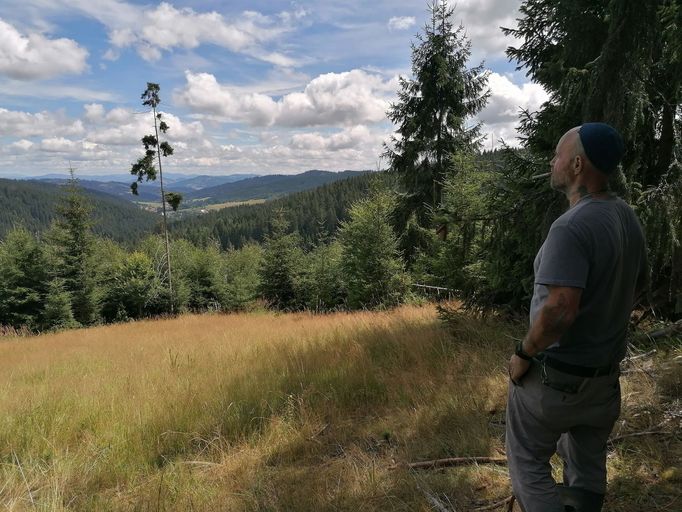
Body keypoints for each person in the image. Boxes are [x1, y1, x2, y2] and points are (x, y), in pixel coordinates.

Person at [505, 123, 649, 512]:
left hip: (557, 378)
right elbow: (638, 286)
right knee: (586, 469)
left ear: (577, 165)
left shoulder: (570, 227)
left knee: (526, 461)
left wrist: (524, 352)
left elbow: (559, 310)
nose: (552, 161)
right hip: (604, 380)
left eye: (558, 154)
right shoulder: (627, 218)